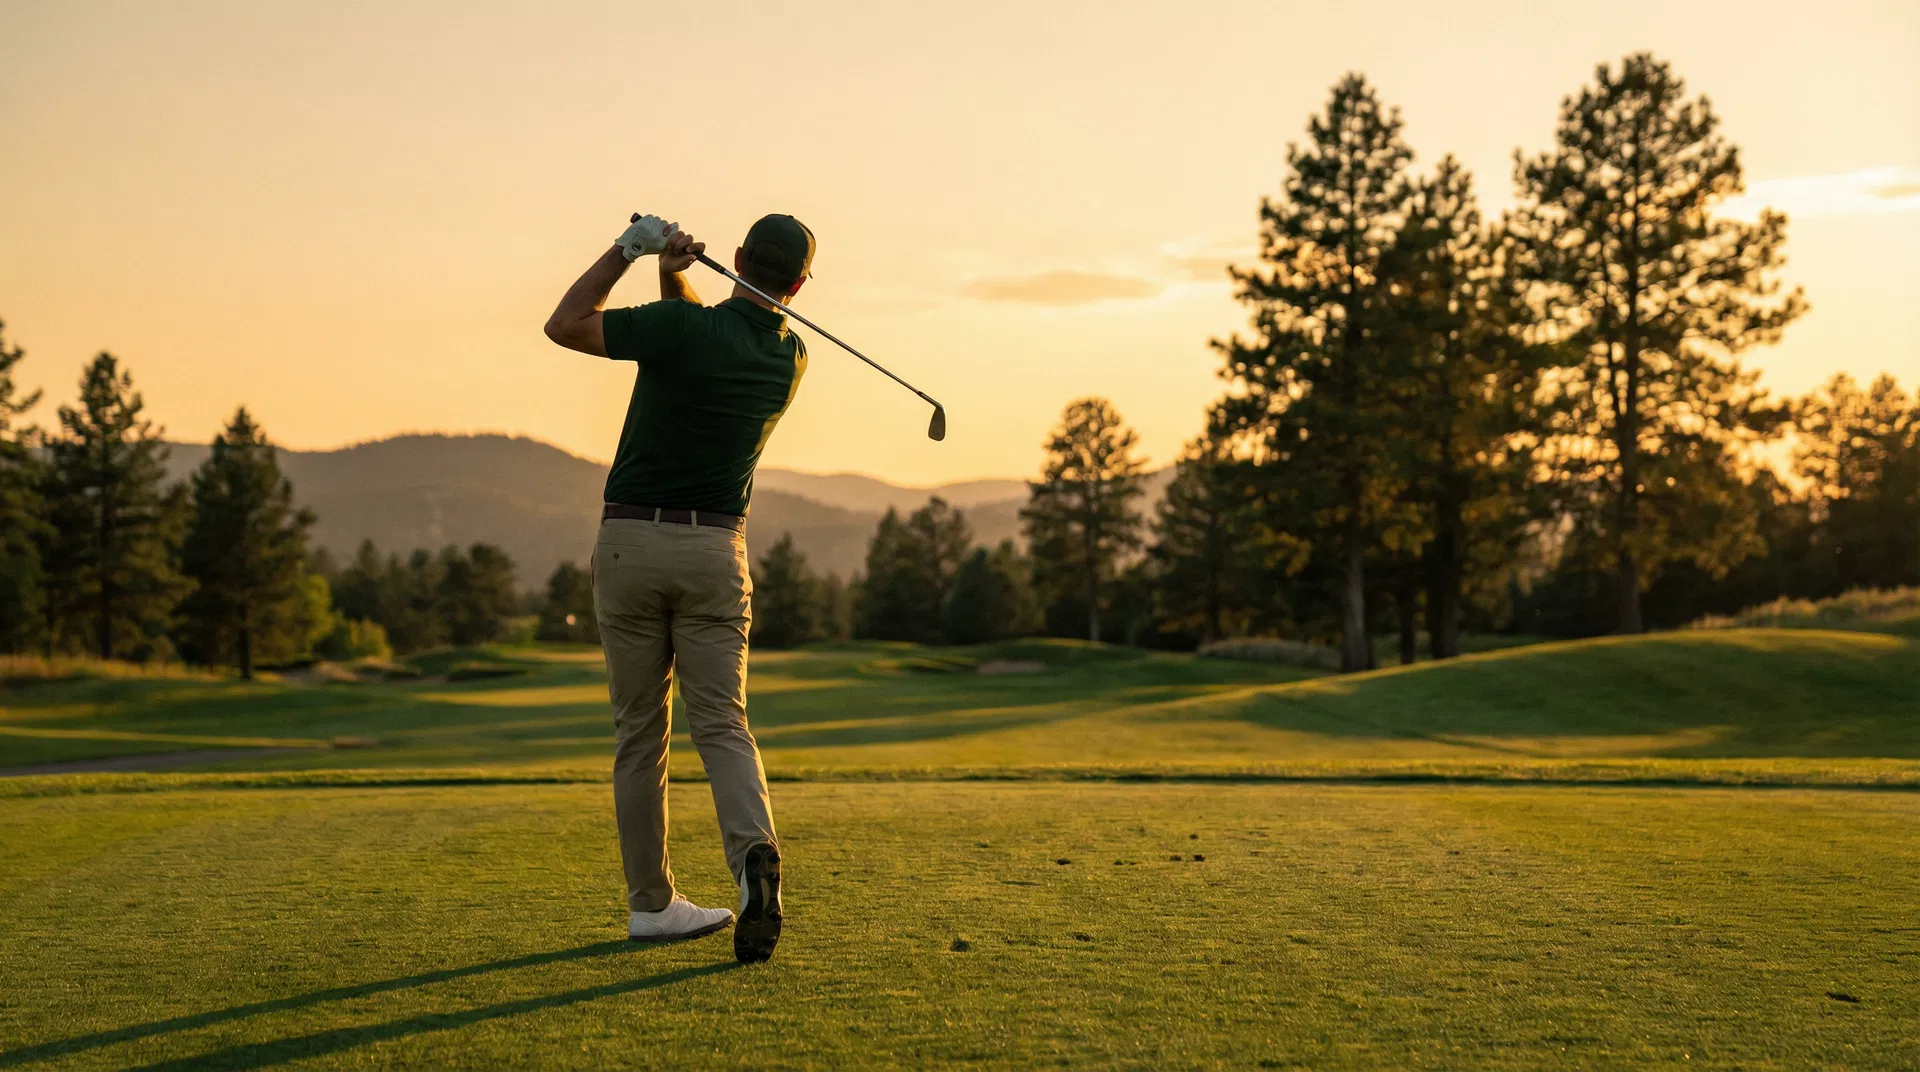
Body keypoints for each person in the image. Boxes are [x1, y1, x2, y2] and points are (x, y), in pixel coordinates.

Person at [543, 212, 815, 964]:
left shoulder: (680, 331)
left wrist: (632, 251)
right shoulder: (788, 356)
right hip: (713, 552)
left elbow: (566, 324)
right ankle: (753, 853)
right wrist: (671, 268)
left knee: (640, 735)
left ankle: (652, 906)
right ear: (796, 285)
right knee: (723, 724)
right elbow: (695, 326)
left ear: (736, 258)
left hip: (629, 545)